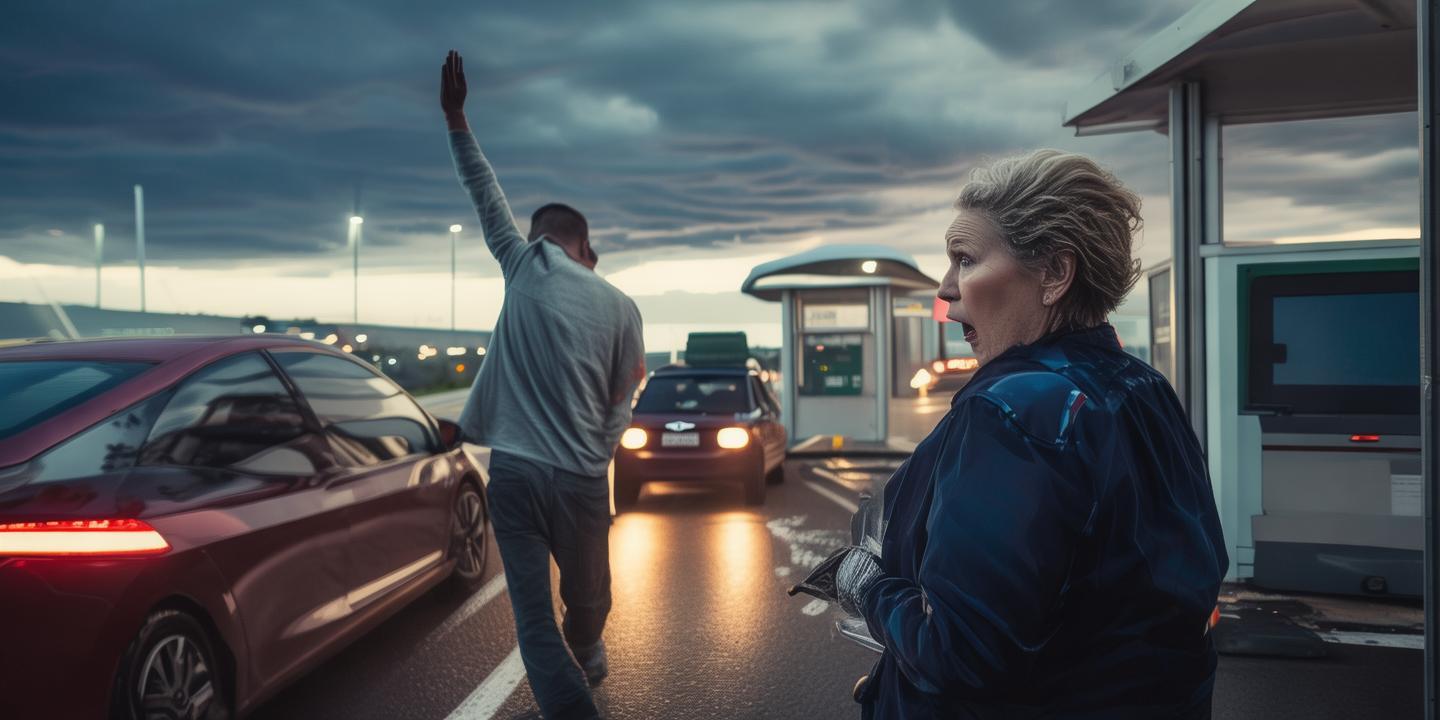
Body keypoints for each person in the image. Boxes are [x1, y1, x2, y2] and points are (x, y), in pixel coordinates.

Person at [804, 150, 1227, 718]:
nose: (946, 289)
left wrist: (866, 586)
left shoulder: (1010, 413)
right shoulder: (1143, 387)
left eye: (965, 259)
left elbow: (959, 655)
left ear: (1054, 274)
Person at [440, 50, 645, 720]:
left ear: (548, 242)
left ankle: (579, 656)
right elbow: (624, 396)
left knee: (539, 620)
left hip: (516, 473)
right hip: (575, 480)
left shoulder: (525, 264)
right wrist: (598, 452)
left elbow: (483, 189)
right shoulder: (621, 306)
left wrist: (456, 117)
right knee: (587, 600)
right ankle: (584, 660)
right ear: (587, 248)